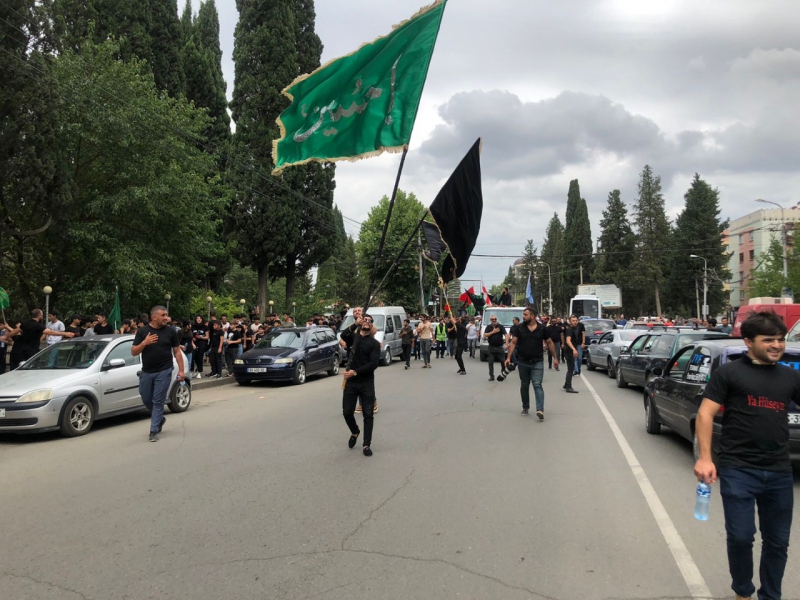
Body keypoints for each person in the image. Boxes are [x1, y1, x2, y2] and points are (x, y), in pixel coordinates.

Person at [694, 311, 797, 600]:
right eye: (769, 340)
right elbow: (705, 413)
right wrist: (705, 458)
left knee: (777, 542)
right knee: (740, 536)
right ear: (749, 341)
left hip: (779, 470)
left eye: (780, 339)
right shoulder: (729, 373)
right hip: (739, 468)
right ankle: (742, 590)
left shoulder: (790, 377)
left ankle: (770, 595)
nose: (777, 345)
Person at [131, 306, 185, 442]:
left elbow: (177, 351)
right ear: (154, 317)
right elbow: (134, 352)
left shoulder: (170, 331)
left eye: (166, 314)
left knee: (158, 401)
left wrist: (181, 370)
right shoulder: (143, 331)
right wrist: (145, 343)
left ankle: (154, 430)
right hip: (147, 371)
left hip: (164, 370)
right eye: (163, 315)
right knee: (146, 398)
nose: (166, 317)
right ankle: (160, 418)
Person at [506, 307, 558, 419]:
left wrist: (555, 358)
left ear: (533, 316)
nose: (523, 317)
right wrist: (508, 357)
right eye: (523, 314)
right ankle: (525, 406)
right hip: (523, 362)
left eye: (525, 314)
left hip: (537, 361)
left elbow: (550, 342)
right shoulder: (519, 328)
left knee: (537, 384)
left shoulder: (542, 328)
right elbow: (513, 342)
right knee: (524, 385)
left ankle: (540, 409)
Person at [342, 313, 381, 457]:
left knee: (368, 414)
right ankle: (355, 431)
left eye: (369, 321)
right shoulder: (353, 338)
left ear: (371, 325)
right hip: (351, 383)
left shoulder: (374, 344)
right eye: (364, 320)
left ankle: (366, 444)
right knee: (347, 412)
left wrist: (355, 372)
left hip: (366, 382)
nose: (366, 322)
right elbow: (343, 334)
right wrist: (354, 325)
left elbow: (373, 364)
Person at [5, 309, 75, 369]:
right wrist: (65, 333)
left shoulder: (24, 324)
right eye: (41, 315)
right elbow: (50, 332)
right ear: (38, 316)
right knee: (32, 366)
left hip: (23, 349)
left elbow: (15, 331)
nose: (42, 316)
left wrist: (5, 336)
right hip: (33, 349)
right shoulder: (38, 325)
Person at [483, 315, 507, 381]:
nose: (494, 320)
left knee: (502, 361)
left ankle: (503, 374)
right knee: (490, 362)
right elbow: (484, 335)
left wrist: (506, 344)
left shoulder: (500, 326)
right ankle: (491, 376)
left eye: (495, 319)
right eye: (492, 319)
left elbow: (506, 334)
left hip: (500, 347)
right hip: (491, 347)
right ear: (490, 320)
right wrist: (493, 332)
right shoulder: (488, 327)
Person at [563, 315, 580, 393]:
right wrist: (574, 350)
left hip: (571, 350)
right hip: (569, 351)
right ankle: (568, 387)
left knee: (571, 368)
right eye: (573, 320)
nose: (575, 322)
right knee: (571, 369)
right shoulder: (570, 330)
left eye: (576, 320)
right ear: (570, 321)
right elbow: (568, 341)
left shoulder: (575, 329)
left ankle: (566, 384)